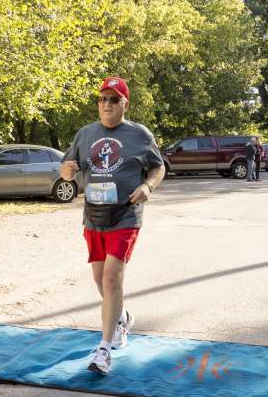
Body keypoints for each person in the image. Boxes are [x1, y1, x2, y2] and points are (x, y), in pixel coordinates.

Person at [60, 77, 165, 374]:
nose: (107, 104)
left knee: (111, 276)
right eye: (103, 99)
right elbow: (67, 169)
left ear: (124, 104)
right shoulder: (85, 134)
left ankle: (104, 351)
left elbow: (158, 167)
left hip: (125, 215)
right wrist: (66, 171)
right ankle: (121, 317)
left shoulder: (139, 135)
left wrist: (148, 186)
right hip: (93, 216)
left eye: (114, 99)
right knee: (98, 277)